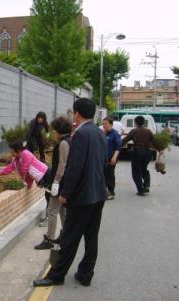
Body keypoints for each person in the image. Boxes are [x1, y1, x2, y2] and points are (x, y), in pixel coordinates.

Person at [33, 98, 107, 288]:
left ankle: (56, 275)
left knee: (69, 238)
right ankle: (85, 273)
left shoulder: (80, 135)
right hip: (98, 193)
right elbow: (102, 162)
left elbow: (75, 167)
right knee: (91, 237)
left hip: (82, 196)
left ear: (77, 113)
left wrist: (65, 192)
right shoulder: (99, 132)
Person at [34, 117, 71, 250]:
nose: (54, 133)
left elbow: (62, 165)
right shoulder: (68, 141)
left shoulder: (63, 143)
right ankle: (67, 236)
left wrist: (56, 182)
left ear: (59, 131)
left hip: (60, 182)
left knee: (51, 211)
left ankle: (49, 239)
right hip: (64, 182)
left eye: (55, 130)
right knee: (62, 211)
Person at [122, 116, 155, 196]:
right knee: (144, 169)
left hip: (137, 152)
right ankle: (146, 185)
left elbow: (125, 140)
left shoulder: (134, 131)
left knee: (136, 171)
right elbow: (155, 142)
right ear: (144, 122)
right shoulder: (149, 131)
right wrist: (160, 150)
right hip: (147, 153)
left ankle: (140, 189)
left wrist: (116, 145)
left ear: (135, 123)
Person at [102, 117, 122, 200]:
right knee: (103, 174)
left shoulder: (115, 134)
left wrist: (114, 157)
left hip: (111, 158)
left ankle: (111, 192)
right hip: (103, 158)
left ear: (111, 124)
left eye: (105, 123)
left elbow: (118, 147)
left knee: (110, 174)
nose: (104, 125)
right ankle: (104, 191)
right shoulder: (103, 133)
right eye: (103, 123)